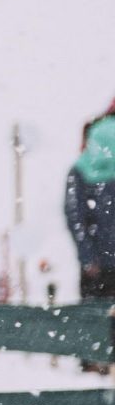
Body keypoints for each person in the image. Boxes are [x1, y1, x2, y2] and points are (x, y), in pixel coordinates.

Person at [67, 114, 115, 304]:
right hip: (100, 264)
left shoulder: (80, 170)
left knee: (92, 322)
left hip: (96, 268)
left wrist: (88, 258)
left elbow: (74, 215)